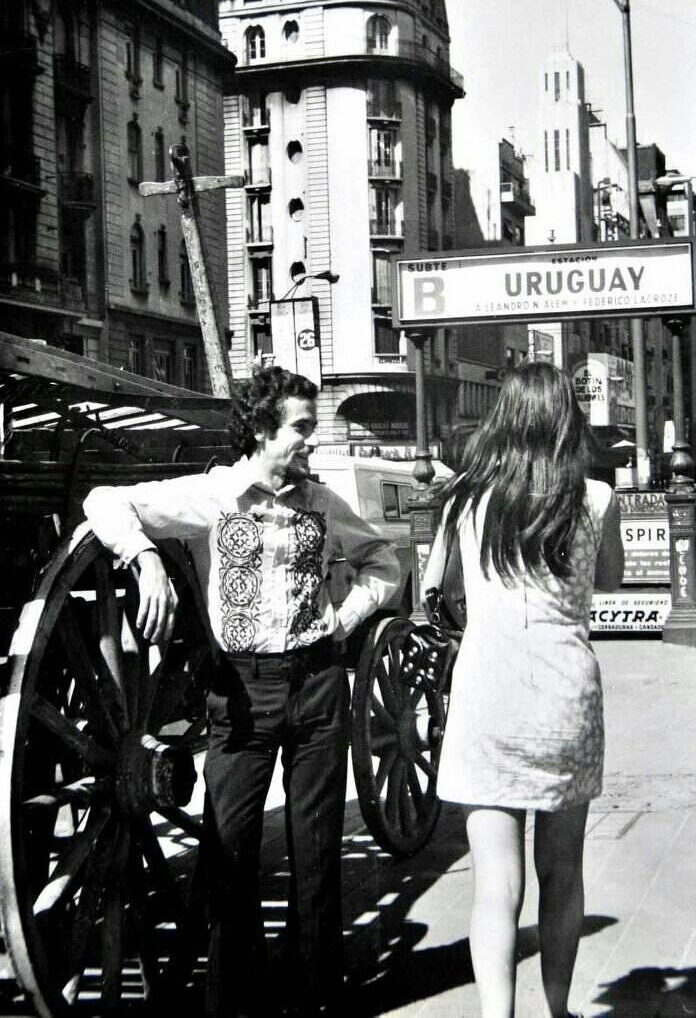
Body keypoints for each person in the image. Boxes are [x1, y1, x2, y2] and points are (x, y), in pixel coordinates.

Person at [83, 366, 400, 1018]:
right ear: (261, 430)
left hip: (316, 688)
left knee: (317, 854)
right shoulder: (214, 496)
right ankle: (236, 1001)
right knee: (229, 855)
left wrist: (344, 620)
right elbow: (104, 501)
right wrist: (145, 558)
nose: (312, 439)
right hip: (241, 694)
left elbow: (383, 561)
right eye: (302, 427)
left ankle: (316, 999)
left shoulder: (322, 502)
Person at [423, 362, 624, 1018]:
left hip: (488, 694)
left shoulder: (465, 498)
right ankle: (558, 1011)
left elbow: (437, 590)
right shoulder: (594, 498)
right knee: (562, 873)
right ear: (567, 419)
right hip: (565, 699)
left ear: (502, 418)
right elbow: (612, 580)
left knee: (495, 884)